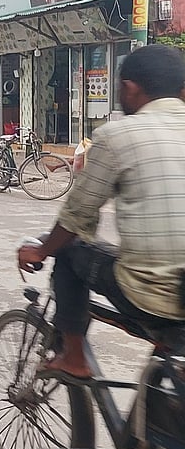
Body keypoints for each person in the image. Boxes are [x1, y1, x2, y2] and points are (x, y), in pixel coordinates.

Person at [16, 44, 185, 381]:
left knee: (68, 253)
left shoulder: (117, 135)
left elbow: (74, 221)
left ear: (129, 89)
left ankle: (74, 357)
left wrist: (42, 249)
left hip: (153, 292)